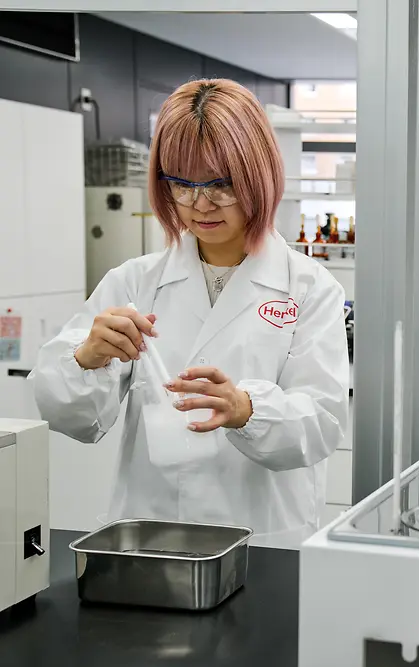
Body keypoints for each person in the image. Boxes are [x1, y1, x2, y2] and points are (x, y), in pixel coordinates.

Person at [31, 79, 350, 547]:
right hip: (151, 534)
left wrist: (247, 409)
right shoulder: (135, 282)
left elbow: (321, 424)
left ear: (257, 175)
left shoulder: (309, 289)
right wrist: (86, 358)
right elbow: (69, 417)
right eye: (181, 184)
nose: (199, 204)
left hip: (262, 538)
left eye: (221, 185)